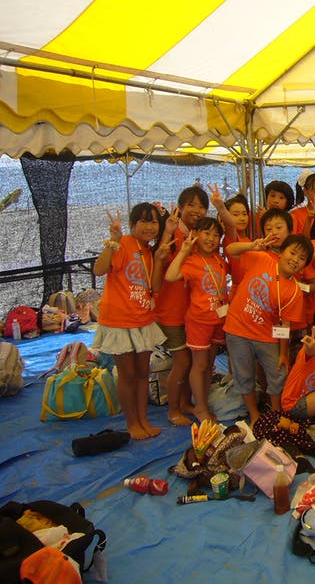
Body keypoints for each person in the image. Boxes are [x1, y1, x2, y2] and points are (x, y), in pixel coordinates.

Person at [92, 204, 166, 440]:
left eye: (153, 222)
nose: (149, 226)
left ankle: (143, 419)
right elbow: (99, 270)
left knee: (143, 373)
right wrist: (112, 241)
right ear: (133, 225)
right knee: (128, 374)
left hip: (143, 319)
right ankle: (132, 423)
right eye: (144, 221)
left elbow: (154, 287)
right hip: (119, 321)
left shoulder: (150, 251)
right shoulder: (123, 243)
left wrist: (160, 260)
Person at [224, 234, 313, 420]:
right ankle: (254, 415)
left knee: (278, 374)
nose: (295, 259)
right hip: (237, 329)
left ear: (304, 266)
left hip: (266, 335)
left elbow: (285, 325)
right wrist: (252, 246)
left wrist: (283, 353)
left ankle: (275, 414)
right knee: (243, 375)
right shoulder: (263, 259)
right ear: (281, 252)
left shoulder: (295, 292)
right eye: (292, 253)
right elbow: (230, 250)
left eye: (301, 258)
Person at [152, 186, 209, 426]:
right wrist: (167, 232)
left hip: (191, 312)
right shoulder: (173, 234)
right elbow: (159, 265)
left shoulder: (197, 236)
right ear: (180, 207)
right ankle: (173, 410)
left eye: (201, 206)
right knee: (183, 362)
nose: (196, 210)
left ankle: (185, 402)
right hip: (170, 312)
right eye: (191, 205)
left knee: (191, 362)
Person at [164, 217, 228, 422]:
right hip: (199, 320)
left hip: (218, 318)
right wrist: (184, 251)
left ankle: (202, 402)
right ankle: (200, 408)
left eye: (216, 235)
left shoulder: (219, 260)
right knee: (199, 365)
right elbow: (170, 276)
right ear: (196, 234)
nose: (211, 239)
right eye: (206, 233)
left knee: (209, 364)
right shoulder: (191, 261)